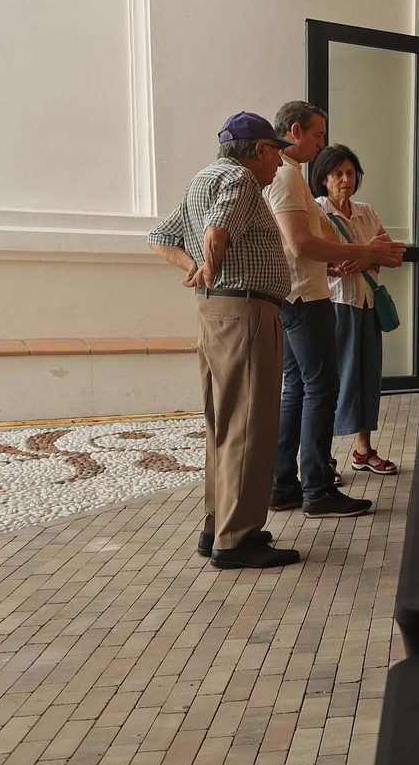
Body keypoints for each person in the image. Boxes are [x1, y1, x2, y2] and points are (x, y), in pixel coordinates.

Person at [147, 111, 301, 570]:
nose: (278, 163)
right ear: (257, 151)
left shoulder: (203, 178)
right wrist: (208, 265)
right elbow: (218, 229)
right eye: (275, 151)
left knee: (223, 422)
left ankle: (218, 524)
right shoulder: (240, 181)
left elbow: (160, 237)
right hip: (246, 312)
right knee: (250, 424)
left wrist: (195, 271)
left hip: (215, 310)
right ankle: (237, 539)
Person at [263, 102, 405, 518]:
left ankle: (283, 484)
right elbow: (301, 244)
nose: (321, 143)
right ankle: (318, 488)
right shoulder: (287, 175)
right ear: (295, 132)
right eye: (318, 136)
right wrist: (361, 252)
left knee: (299, 389)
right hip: (307, 296)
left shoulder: (285, 176)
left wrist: (354, 255)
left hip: (296, 294)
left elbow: (328, 240)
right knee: (321, 389)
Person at [312, 144, 398, 476]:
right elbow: (322, 258)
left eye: (350, 173)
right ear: (324, 179)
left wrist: (367, 257)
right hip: (335, 305)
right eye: (338, 174)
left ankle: (363, 450)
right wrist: (371, 253)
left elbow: (393, 253)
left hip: (367, 304)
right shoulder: (316, 213)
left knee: (367, 376)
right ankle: (326, 454)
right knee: (336, 380)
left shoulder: (366, 211)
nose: (345, 180)